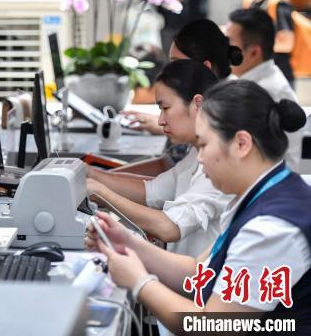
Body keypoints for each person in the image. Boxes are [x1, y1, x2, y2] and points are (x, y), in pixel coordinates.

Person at [87, 80, 309, 334]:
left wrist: (140, 282)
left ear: (241, 144)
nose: (200, 159)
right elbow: (198, 271)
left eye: (203, 146)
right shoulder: (259, 194)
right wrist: (129, 243)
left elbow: (213, 326)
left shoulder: (270, 228)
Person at [87, 60, 231, 258]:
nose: (161, 121)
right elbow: (151, 192)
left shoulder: (219, 161)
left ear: (197, 104)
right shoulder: (195, 152)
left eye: (166, 108)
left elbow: (170, 227)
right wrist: (92, 174)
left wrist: (103, 193)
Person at [124, 18, 242, 136]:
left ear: (205, 68)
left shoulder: (231, 109)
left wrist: (172, 127)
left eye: (177, 64)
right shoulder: (209, 100)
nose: (170, 72)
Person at [224, 8, 303, 171]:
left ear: (254, 52)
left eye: (230, 43)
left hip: (266, 182)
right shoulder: (246, 78)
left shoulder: (267, 92)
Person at [243, 0, 295, 85]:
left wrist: (252, 42)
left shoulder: (279, 1)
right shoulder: (249, 1)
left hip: (277, 79)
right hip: (254, 76)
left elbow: (287, 42)